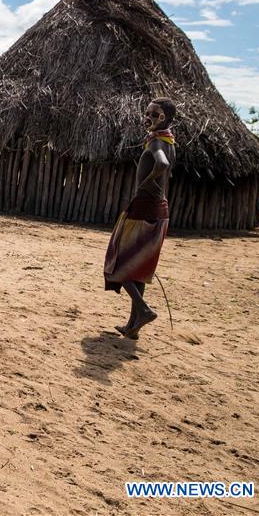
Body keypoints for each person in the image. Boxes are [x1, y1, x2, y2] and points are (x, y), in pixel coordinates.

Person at [105, 98, 177, 339]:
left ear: (164, 118)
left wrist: (146, 183)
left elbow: (162, 164)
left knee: (119, 261)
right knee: (140, 267)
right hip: (160, 209)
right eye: (146, 112)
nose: (147, 117)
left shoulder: (157, 142)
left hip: (145, 208)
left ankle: (144, 310)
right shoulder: (169, 142)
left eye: (153, 114)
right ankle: (132, 326)